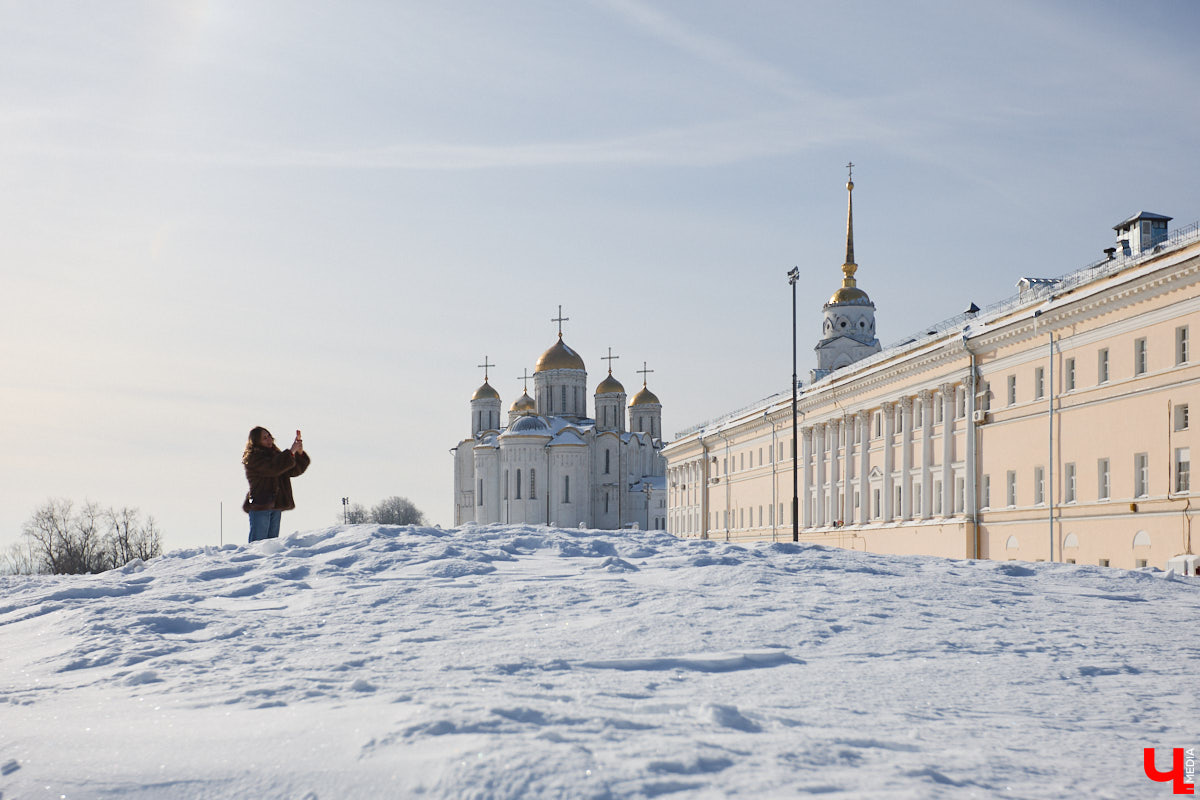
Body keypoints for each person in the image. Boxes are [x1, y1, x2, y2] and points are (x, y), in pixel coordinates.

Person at [241, 427, 311, 542]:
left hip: (276, 505)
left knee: (271, 544)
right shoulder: (253, 457)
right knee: (258, 544)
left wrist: (299, 453)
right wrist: (291, 452)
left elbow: (293, 471)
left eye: (269, 436)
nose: (269, 440)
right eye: (264, 438)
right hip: (260, 504)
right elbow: (272, 468)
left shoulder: (277, 455)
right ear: (256, 441)